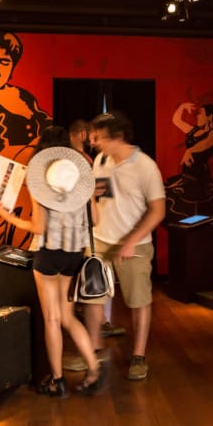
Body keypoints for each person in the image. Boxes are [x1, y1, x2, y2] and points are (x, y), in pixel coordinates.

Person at [0, 126, 104, 396]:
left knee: (52, 319)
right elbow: (96, 220)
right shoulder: (80, 178)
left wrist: (6, 216)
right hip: (74, 253)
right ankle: (93, 368)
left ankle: (57, 380)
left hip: (48, 253)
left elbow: (39, 227)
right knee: (68, 316)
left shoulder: (40, 178)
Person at [88, 111, 165, 381]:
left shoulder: (145, 166)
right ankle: (93, 352)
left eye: (99, 137)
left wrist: (130, 241)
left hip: (136, 245)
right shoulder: (100, 160)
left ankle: (138, 356)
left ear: (118, 137)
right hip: (100, 241)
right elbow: (100, 198)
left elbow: (158, 210)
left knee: (138, 300)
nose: (94, 142)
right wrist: (91, 200)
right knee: (92, 298)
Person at [69, 118, 125, 338]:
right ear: (83, 134)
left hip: (94, 227)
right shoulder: (89, 159)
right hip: (92, 227)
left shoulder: (91, 159)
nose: (95, 141)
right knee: (97, 276)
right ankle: (99, 324)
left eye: (98, 136)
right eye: (93, 136)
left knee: (96, 276)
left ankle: (100, 323)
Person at [164, 101, 213, 219]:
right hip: (186, 176)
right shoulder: (195, 131)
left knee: (195, 209)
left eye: (201, 114)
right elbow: (177, 121)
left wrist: (189, 151)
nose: (197, 116)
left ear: (210, 116)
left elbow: (205, 144)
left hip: (199, 177)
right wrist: (182, 107)